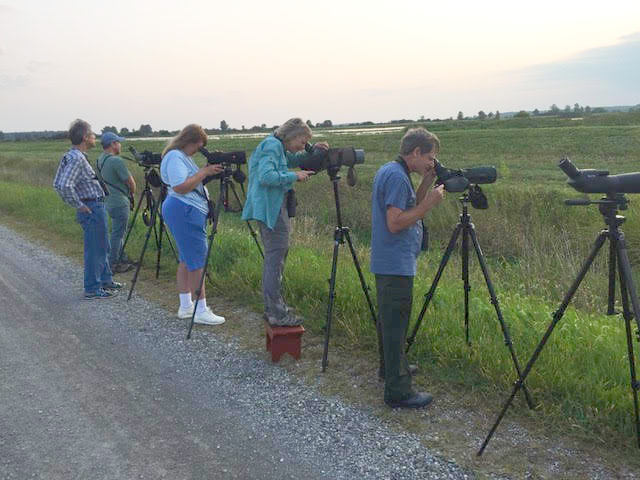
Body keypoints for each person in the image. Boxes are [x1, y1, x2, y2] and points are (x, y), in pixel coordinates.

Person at [370, 127, 445, 409]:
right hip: (394, 263)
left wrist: (426, 182)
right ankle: (398, 391)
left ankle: (390, 368)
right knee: (395, 324)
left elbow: (406, 203)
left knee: (389, 322)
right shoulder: (397, 177)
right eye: (430, 157)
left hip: (388, 260)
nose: (431, 162)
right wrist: (428, 204)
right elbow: (396, 221)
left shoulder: (392, 171)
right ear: (416, 152)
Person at [242, 118, 327, 326]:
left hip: (271, 206)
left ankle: (274, 308)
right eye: (302, 141)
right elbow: (266, 176)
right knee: (275, 258)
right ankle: (276, 313)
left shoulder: (276, 145)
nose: (302, 145)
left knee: (276, 257)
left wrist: (311, 151)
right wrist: (294, 176)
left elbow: (289, 159)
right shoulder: (272, 145)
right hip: (270, 208)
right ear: (292, 135)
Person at [160, 124, 226, 326]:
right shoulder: (175, 157)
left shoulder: (180, 157)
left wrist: (205, 174)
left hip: (184, 210)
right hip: (184, 210)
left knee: (187, 259)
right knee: (198, 260)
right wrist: (203, 173)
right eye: (199, 146)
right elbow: (180, 187)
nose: (198, 150)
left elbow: (189, 183)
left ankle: (186, 306)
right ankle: (201, 309)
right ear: (191, 141)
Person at [53, 119, 123, 299]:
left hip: (95, 205)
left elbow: (56, 183)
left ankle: (106, 280)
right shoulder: (77, 158)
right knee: (95, 249)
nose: (95, 138)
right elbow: (63, 185)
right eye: (92, 135)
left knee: (103, 245)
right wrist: (79, 205)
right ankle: (92, 288)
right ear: (85, 137)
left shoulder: (71, 155)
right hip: (91, 206)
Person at [96, 132, 137, 273]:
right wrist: (132, 193)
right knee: (118, 233)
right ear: (113, 144)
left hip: (109, 201)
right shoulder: (116, 161)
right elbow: (131, 183)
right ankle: (114, 262)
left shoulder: (100, 159)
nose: (120, 145)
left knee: (116, 231)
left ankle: (121, 256)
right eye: (118, 142)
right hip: (120, 202)